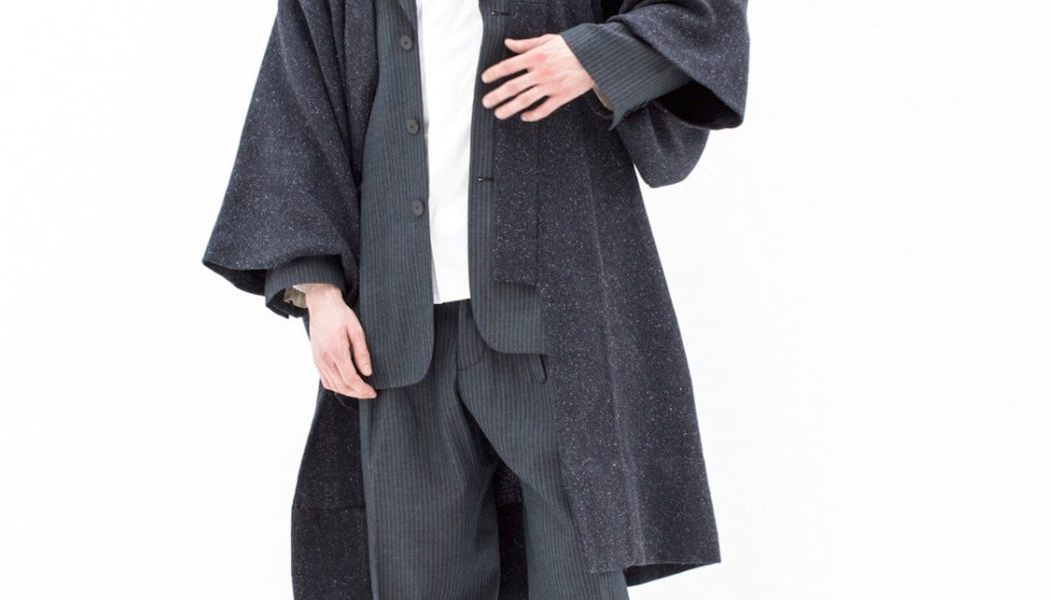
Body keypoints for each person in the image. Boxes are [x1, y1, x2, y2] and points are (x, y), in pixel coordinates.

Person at [202, 1, 750, 598]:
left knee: (578, 575)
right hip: (393, 328)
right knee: (415, 581)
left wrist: (596, 58)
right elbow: (299, 99)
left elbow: (702, 13)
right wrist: (318, 290)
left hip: (554, 316)